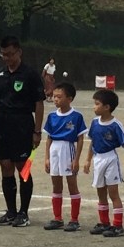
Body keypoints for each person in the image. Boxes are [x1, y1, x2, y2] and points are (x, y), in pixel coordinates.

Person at [0, 36, 44, 227]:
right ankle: (11, 211)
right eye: (4, 54)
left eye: (10, 54)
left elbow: (38, 103)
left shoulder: (30, 74)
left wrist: (37, 131)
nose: (7, 58)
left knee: (22, 167)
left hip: (22, 123)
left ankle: (24, 212)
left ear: (19, 52)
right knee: (5, 166)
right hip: (2, 125)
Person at [82, 88, 124, 237]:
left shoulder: (116, 125)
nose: (94, 107)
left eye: (97, 104)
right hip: (98, 159)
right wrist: (88, 160)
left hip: (110, 160)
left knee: (113, 194)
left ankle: (118, 226)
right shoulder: (95, 123)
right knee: (100, 192)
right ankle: (104, 222)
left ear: (107, 107)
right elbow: (93, 142)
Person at [42, 80, 87, 232]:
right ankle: (57, 218)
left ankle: (74, 220)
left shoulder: (76, 116)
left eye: (59, 97)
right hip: (54, 150)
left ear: (69, 99)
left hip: (68, 149)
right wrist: (47, 157)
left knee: (72, 185)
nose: (55, 99)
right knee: (56, 185)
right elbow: (49, 138)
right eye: (54, 96)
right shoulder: (52, 116)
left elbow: (80, 139)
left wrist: (76, 159)